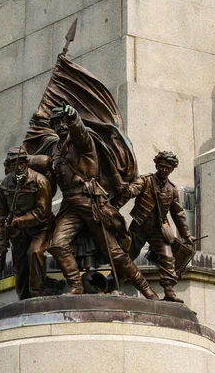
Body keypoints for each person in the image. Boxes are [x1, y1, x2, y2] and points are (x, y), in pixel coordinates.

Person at [47, 104, 158, 299]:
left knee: (114, 251)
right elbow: (43, 162)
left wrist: (74, 119)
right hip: (70, 206)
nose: (60, 125)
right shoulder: (56, 148)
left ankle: (148, 291)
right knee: (57, 244)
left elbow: (79, 132)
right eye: (56, 122)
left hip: (90, 202)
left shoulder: (83, 141)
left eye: (63, 121)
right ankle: (76, 286)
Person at [123, 151, 194, 303]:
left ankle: (169, 291)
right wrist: (127, 190)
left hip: (159, 229)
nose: (163, 170)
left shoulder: (172, 190)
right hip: (140, 226)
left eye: (167, 168)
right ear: (156, 165)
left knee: (168, 258)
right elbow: (133, 189)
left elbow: (178, 214)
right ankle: (112, 282)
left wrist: (187, 235)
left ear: (172, 169)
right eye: (161, 166)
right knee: (127, 255)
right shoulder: (145, 180)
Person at [0, 146, 52, 300]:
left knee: (34, 253)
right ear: (9, 166)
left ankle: (37, 294)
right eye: (14, 164)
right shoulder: (3, 185)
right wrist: (1, 239)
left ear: (26, 163)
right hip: (18, 232)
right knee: (19, 265)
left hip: (40, 228)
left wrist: (18, 221)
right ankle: (23, 299)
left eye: (21, 163)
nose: (19, 167)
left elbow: (43, 213)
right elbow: (0, 215)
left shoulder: (40, 181)